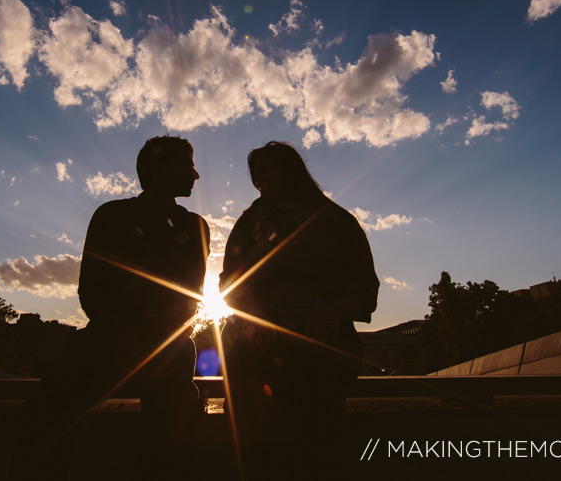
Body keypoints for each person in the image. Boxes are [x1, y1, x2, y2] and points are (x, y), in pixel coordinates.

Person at [22, 136, 208, 477]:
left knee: (175, 419)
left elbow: (190, 297)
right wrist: (126, 334)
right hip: (110, 339)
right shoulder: (111, 215)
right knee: (48, 409)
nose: (195, 175)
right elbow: (91, 289)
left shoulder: (194, 226)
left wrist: (151, 338)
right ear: (156, 169)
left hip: (163, 345)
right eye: (186, 164)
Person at [219, 141, 379, 476]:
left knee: (317, 432)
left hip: (321, 334)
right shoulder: (249, 224)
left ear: (291, 170)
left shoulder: (337, 222)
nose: (260, 179)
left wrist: (333, 312)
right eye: (256, 173)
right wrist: (255, 319)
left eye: (267, 169)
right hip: (258, 335)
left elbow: (364, 285)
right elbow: (230, 283)